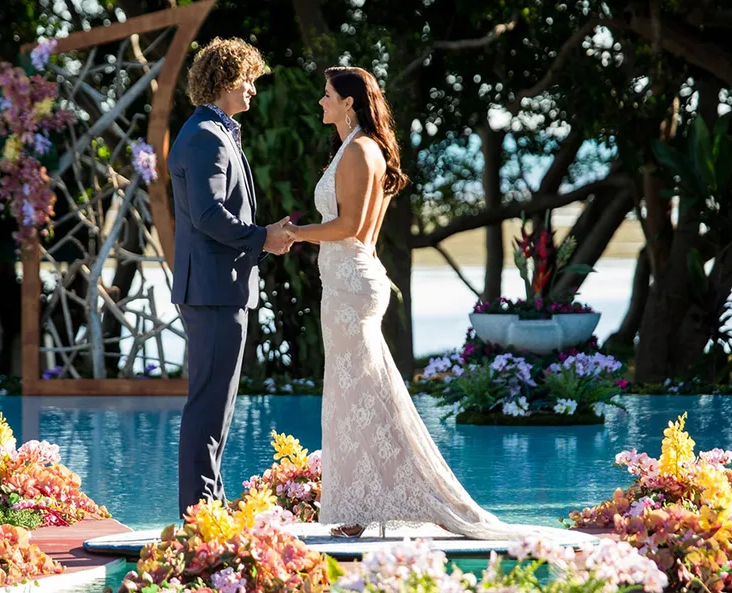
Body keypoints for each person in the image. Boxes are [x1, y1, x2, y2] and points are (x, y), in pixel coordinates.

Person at [283, 67, 592, 543]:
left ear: (349, 103)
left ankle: (380, 503)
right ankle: (361, 505)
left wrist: (294, 233)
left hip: (351, 287)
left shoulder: (360, 150)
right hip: (346, 284)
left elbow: (350, 227)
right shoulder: (356, 148)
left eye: (327, 95)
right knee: (355, 395)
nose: (321, 101)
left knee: (360, 396)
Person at [168, 37, 293, 518]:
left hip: (215, 288)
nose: (253, 90)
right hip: (214, 290)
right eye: (248, 80)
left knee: (214, 406)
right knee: (209, 407)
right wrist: (263, 237)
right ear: (224, 80)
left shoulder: (211, 132)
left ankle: (210, 509)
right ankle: (200, 517)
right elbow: (207, 214)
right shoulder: (207, 136)